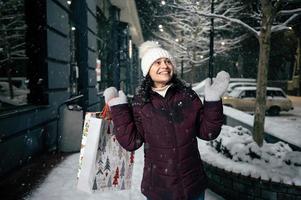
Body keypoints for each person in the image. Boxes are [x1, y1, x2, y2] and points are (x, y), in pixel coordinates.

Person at [103, 41, 230, 200]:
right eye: (157, 62)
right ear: (147, 70)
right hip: (159, 188)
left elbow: (208, 132)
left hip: (193, 185)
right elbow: (131, 142)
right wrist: (119, 108)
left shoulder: (187, 96)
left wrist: (212, 101)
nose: (164, 65)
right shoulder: (140, 103)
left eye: (167, 61)